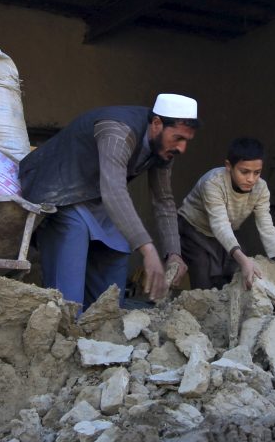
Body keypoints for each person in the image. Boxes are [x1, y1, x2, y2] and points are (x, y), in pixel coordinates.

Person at [18, 94, 196, 312]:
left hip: (95, 199)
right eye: (178, 138)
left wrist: (173, 253)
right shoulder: (117, 131)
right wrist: (148, 250)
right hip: (59, 191)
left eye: (186, 141)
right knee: (69, 291)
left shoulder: (163, 148)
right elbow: (114, 190)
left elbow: (163, 200)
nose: (182, 148)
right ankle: (66, 324)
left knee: (117, 255)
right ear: (157, 123)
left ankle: (100, 327)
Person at [177, 137, 275, 296]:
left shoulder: (261, 188)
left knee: (234, 271)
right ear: (228, 166)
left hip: (226, 231)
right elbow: (219, 224)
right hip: (193, 229)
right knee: (203, 278)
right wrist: (244, 260)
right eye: (244, 172)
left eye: (257, 172)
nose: (251, 179)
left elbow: (267, 227)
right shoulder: (213, 183)